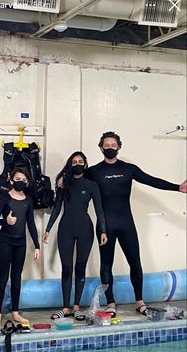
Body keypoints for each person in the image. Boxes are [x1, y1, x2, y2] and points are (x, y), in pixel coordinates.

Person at [86, 131, 187, 317]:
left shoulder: (128, 169)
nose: (109, 148)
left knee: (135, 263)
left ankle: (139, 301)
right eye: (106, 145)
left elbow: (151, 181)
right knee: (106, 264)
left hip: (126, 224)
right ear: (100, 148)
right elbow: (74, 182)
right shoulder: (93, 172)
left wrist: (177, 187)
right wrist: (61, 180)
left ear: (119, 147)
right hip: (104, 227)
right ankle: (110, 303)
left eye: (113, 145)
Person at [42, 151, 108, 321]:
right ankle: (65, 307)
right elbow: (56, 208)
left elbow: (100, 211)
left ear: (85, 165)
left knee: (80, 267)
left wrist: (103, 231)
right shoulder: (64, 185)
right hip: (66, 229)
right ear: (70, 165)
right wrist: (48, 229)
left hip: (85, 229)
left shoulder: (92, 185)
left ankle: (77, 306)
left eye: (80, 161)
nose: (77, 164)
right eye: (74, 161)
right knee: (66, 268)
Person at [0, 167, 40, 331]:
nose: (20, 182)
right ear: (11, 180)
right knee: (3, 276)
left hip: (21, 243)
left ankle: (15, 313)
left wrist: (37, 245)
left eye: (23, 180)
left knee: (17, 276)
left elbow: (31, 224)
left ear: (27, 182)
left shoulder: (29, 200)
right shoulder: (4, 198)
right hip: (5, 241)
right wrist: (6, 221)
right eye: (17, 178)